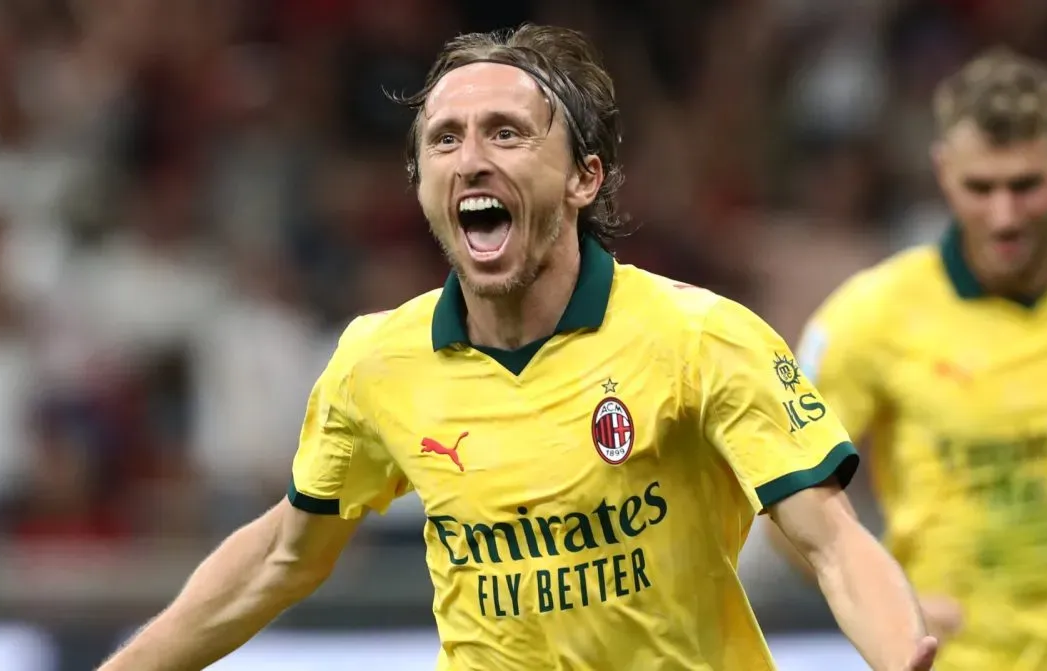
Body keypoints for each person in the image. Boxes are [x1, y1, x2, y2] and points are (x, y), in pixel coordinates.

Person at [99, 24, 936, 671]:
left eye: (506, 133)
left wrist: (902, 653)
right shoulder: (377, 362)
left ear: (584, 178)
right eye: (446, 139)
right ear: (423, 184)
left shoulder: (700, 337)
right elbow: (283, 554)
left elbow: (831, 540)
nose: (470, 159)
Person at [767, 47, 1047, 671]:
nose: (1004, 215)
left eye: (1026, 186)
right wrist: (887, 604)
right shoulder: (870, 316)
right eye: (980, 187)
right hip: (960, 659)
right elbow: (786, 501)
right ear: (942, 171)